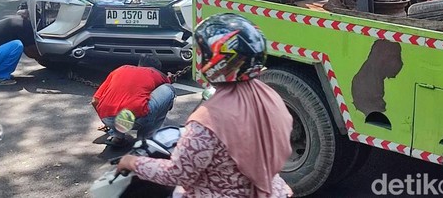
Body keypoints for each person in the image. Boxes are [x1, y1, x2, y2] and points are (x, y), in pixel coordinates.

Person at [116, 13, 294, 198]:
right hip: (274, 190)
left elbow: (178, 174)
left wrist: (132, 162)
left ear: (216, 61)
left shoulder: (208, 121)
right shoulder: (270, 97)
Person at [92, 54, 175, 146]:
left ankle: (117, 136)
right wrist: (170, 79)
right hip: (137, 120)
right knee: (168, 89)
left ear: (139, 64)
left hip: (108, 119)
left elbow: (95, 101)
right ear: (156, 68)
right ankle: (146, 138)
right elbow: (168, 81)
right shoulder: (154, 72)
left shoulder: (121, 69)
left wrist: (108, 122)